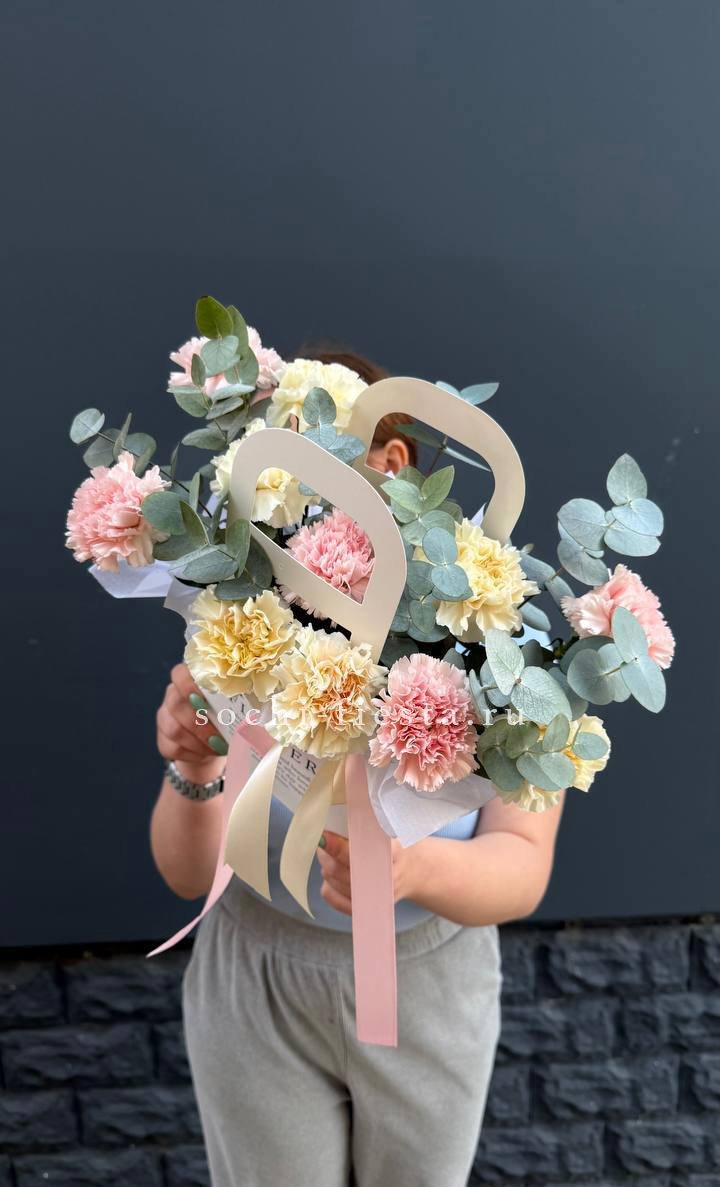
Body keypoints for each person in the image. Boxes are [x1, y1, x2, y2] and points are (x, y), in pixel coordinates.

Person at [151, 347, 563, 1187]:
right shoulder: (244, 626)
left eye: (308, 460)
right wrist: (192, 768)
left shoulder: (501, 640)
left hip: (427, 982)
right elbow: (188, 874)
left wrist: (411, 867)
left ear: (391, 461)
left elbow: (523, 866)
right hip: (256, 977)